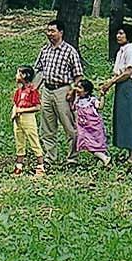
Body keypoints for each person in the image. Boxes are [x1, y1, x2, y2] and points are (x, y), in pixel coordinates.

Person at [34, 18, 84, 165]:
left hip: (63, 90)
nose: (49, 34)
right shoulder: (44, 50)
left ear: (60, 32)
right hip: (47, 90)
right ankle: (50, 157)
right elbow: (39, 70)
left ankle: (72, 158)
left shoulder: (69, 51)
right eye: (48, 31)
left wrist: (73, 90)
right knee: (47, 127)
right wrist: (34, 89)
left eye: (52, 31)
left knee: (69, 125)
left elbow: (78, 74)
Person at [101, 22, 132, 163]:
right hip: (120, 86)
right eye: (118, 33)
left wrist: (111, 82)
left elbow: (128, 71)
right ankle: (127, 149)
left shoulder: (130, 51)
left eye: (121, 33)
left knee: (127, 118)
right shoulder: (121, 51)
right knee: (121, 118)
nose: (118, 36)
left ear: (128, 36)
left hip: (126, 86)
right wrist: (109, 83)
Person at [10, 65, 45, 176]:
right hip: (18, 119)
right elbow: (15, 103)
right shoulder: (19, 91)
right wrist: (14, 113)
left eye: (18, 73)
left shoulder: (32, 91)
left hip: (28, 118)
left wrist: (22, 110)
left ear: (24, 76)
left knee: (33, 139)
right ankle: (19, 166)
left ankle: (40, 166)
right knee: (19, 141)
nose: (16, 76)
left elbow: (37, 107)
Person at [67, 79, 110, 165]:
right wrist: (73, 92)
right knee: (86, 144)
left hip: (94, 127)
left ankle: (104, 158)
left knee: (96, 143)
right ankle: (103, 158)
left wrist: (102, 96)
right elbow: (72, 106)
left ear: (86, 91)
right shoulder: (77, 100)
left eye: (80, 88)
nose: (77, 89)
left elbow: (100, 106)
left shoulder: (92, 100)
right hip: (83, 128)